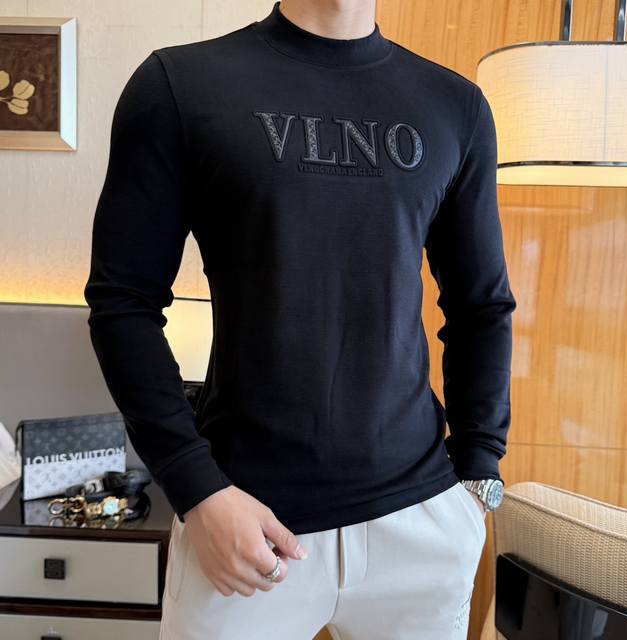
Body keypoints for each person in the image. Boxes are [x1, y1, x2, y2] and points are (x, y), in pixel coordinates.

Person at [83, 1, 517, 638]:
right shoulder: (180, 85)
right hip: (242, 519)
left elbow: (481, 304)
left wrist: (479, 473)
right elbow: (123, 302)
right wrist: (196, 488)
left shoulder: (456, 106)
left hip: (420, 521)